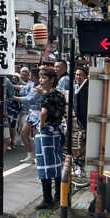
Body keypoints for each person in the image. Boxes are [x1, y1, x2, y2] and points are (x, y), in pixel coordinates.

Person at [35, 65, 66, 210]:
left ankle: (47, 199)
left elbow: (43, 113)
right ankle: (59, 196)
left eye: (44, 78)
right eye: (40, 77)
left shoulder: (47, 95)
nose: (41, 80)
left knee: (45, 166)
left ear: (52, 79)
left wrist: (41, 124)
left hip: (46, 133)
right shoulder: (59, 95)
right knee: (57, 165)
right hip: (57, 132)